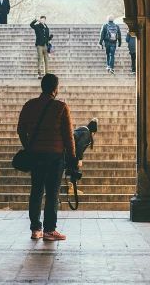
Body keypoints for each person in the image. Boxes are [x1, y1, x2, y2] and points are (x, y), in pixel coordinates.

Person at [17, 74, 77, 241]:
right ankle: (50, 229)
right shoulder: (61, 107)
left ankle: (36, 229)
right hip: (55, 156)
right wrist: (72, 156)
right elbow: (68, 135)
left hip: (35, 154)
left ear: (42, 87)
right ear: (55, 88)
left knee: (36, 191)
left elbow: (21, 129)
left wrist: (28, 146)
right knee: (52, 192)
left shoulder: (29, 106)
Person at [69, 118, 99, 196]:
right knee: (76, 165)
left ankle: (71, 186)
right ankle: (72, 187)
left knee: (72, 166)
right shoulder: (87, 133)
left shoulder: (81, 130)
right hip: (71, 152)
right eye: (94, 133)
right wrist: (80, 159)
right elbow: (80, 145)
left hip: (68, 150)